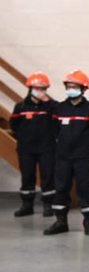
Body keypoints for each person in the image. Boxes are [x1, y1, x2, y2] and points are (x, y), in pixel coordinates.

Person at [45, 69, 89, 236]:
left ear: (83, 89)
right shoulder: (59, 108)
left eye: (75, 86)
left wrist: (87, 146)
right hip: (63, 156)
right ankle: (61, 221)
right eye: (68, 86)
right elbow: (54, 130)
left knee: (86, 188)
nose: (71, 89)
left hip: (83, 156)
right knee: (61, 187)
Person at [11, 72, 57, 218]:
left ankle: (48, 204)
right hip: (26, 149)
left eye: (43, 88)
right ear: (30, 88)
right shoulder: (20, 107)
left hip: (47, 148)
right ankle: (27, 205)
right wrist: (24, 138)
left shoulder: (51, 106)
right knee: (27, 176)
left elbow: (59, 118)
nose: (40, 91)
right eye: (36, 88)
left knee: (48, 176)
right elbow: (14, 125)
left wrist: (48, 102)